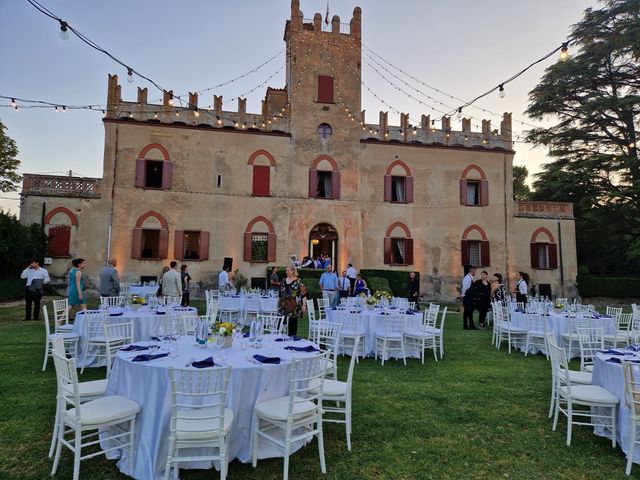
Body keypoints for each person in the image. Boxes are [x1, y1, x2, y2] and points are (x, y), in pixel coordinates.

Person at [278, 265, 306, 336]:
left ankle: (292, 340)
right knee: (280, 324)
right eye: (286, 270)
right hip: (283, 306)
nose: (286, 272)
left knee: (292, 325)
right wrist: (278, 304)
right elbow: (280, 294)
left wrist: (304, 305)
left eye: (288, 270)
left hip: (294, 307)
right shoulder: (283, 281)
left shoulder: (298, 281)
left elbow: (304, 294)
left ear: (293, 271)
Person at [461, 265, 477, 330]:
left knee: (470, 312)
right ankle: (465, 326)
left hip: (470, 297)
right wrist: (462, 295)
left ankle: (471, 325)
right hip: (467, 297)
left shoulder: (470, 277)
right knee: (467, 312)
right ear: (472, 270)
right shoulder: (467, 278)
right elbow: (465, 288)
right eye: (475, 270)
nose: (475, 271)